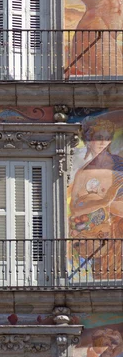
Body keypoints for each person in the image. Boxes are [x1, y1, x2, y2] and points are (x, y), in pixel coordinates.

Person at [70, 119, 123, 279]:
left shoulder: (120, 166)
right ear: (88, 140)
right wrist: (102, 202)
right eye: (97, 137)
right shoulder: (82, 173)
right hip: (96, 232)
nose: (102, 142)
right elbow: (75, 208)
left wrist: (103, 204)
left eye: (106, 138)